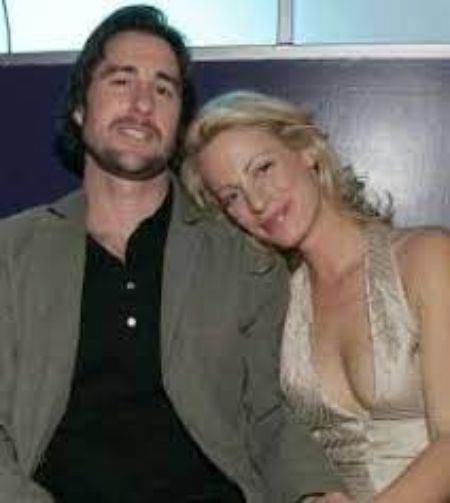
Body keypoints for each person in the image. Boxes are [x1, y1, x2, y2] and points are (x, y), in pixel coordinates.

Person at [0, 6, 344, 503]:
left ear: (179, 123)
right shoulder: (11, 254)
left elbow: (268, 416)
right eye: (121, 81)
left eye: (163, 89)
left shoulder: (244, 261)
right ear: (79, 108)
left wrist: (316, 492)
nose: (142, 103)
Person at [181, 90, 450, 502]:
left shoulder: (426, 258)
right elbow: (271, 446)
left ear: (306, 150)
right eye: (232, 196)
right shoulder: (275, 305)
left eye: (263, 168)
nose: (257, 202)